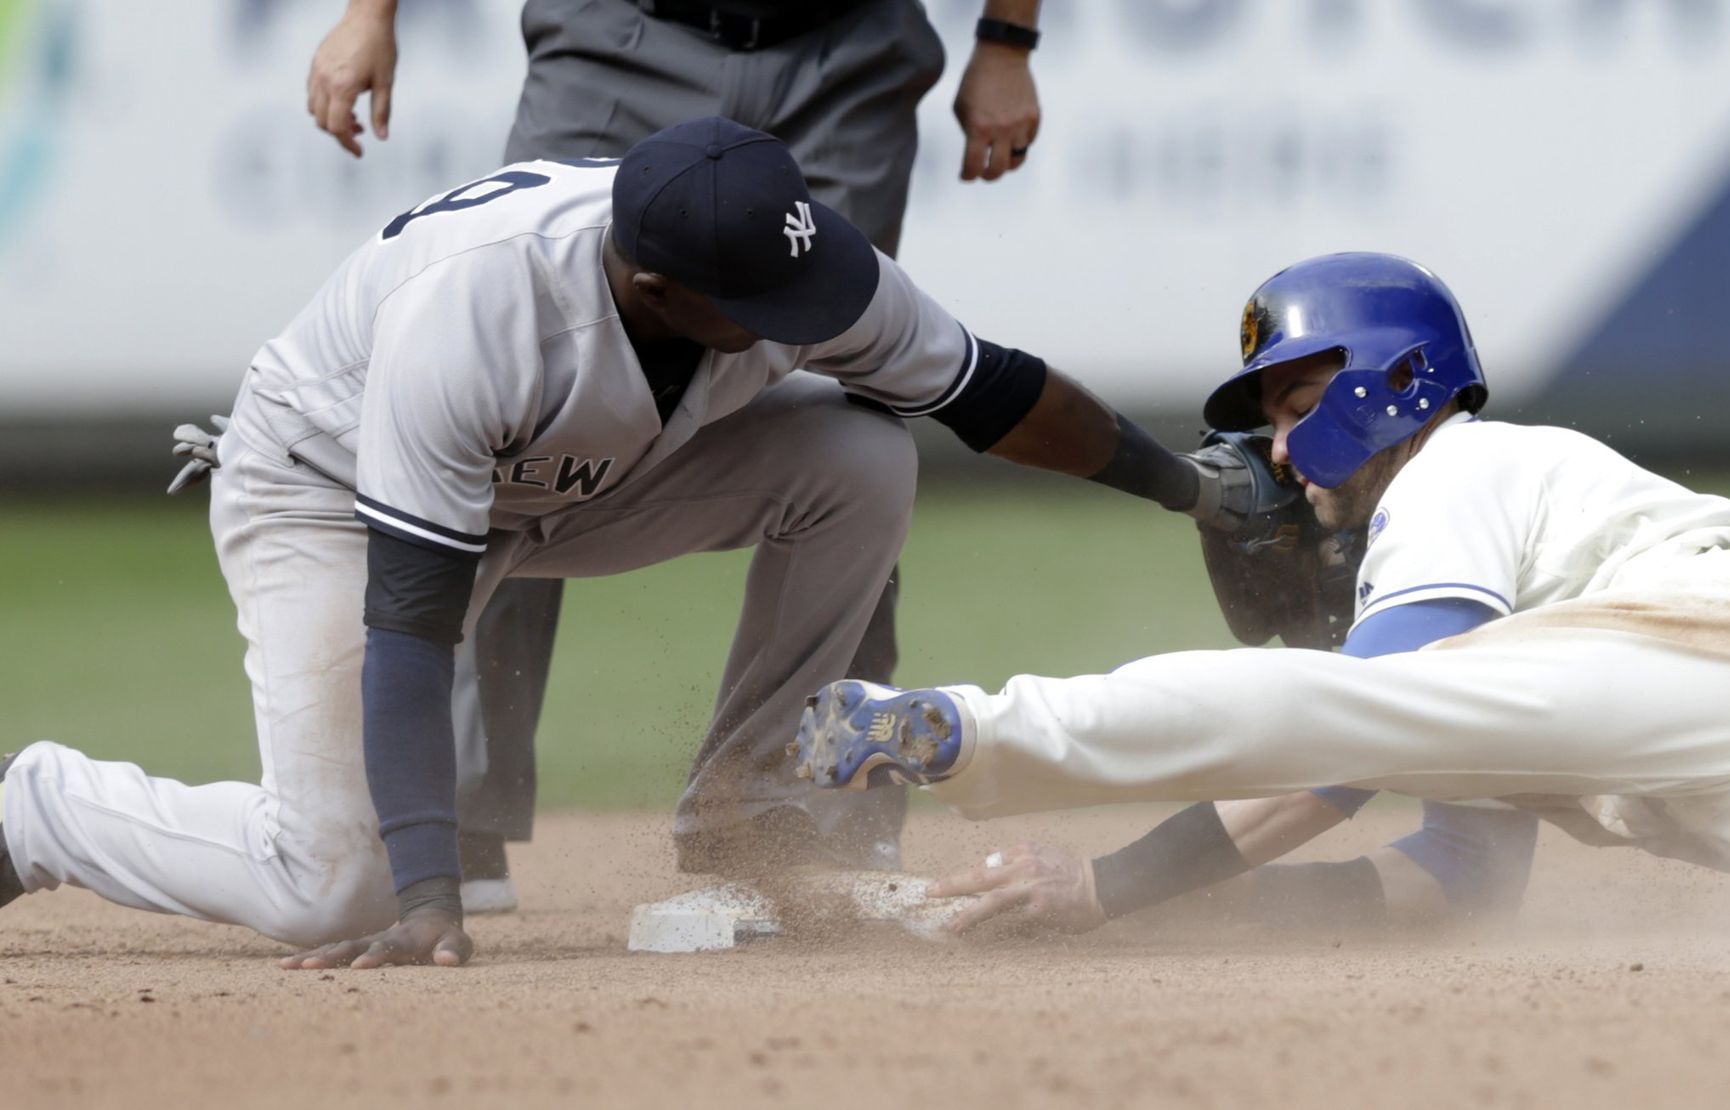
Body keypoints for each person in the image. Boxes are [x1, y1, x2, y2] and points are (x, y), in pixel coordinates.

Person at [0, 119, 1273, 968]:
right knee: (335, 888)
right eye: (763, 306)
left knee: (862, 452)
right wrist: (431, 887)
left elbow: (991, 391)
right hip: (331, 499)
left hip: (576, 478)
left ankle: (752, 826)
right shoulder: (480, 314)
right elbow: (412, 620)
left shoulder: (781, 260)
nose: (806, 312)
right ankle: (34, 810)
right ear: (653, 286)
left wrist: (1188, 492)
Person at [792, 251, 1730, 937]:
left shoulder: (1456, 469)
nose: (1277, 452)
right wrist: (1196, 917)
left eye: (1291, 407)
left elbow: (1349, 733)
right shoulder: (1498, 684)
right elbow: (1459, 882)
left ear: (1392, 384)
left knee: (1341, 700)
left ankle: (968, 726)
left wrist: (1114, 885)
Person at [302, 0, 1047, 898]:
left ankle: (811, 810)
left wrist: (1007, 39)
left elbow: (944, 378)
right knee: (513, 395)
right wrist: (368, 13)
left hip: (846, 42)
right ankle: (449, 821)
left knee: (853, 411)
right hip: (617, 34)